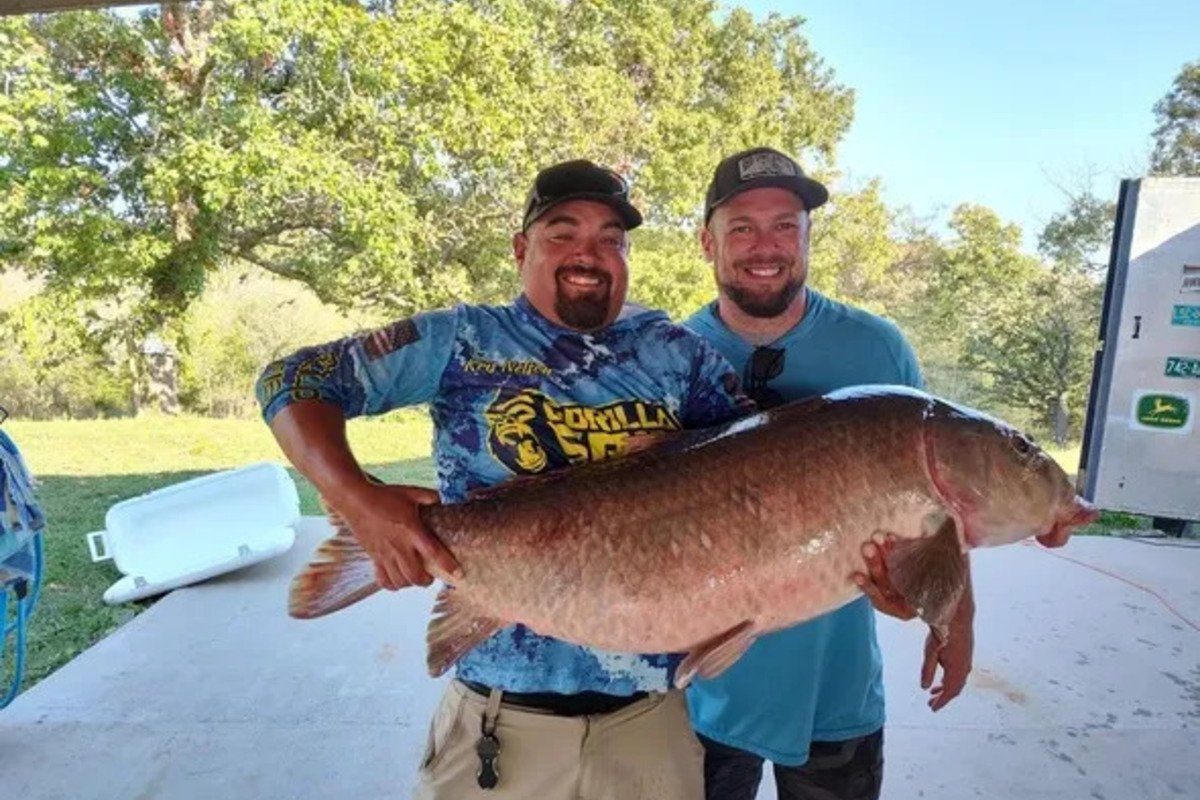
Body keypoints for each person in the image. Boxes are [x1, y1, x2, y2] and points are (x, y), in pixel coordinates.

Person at [255, 159, 754, 799]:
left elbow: (755, 462)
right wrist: (363, 501)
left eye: (610, 238)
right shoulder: (464, 339)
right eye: (562, 233)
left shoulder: (675, 353)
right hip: (498, 724)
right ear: (522, 248)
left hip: (649, 723)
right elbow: (290, 382)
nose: (589, 253)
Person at [682, 146, 977, 800]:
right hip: (701, 691)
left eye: (786, 225)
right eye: (743, 227)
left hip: (835, 693)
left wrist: (954, 620)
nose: (767, 245)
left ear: (809, 236)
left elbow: (941, 504)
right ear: (708, 242)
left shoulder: (878, 350)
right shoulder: (670, 355)